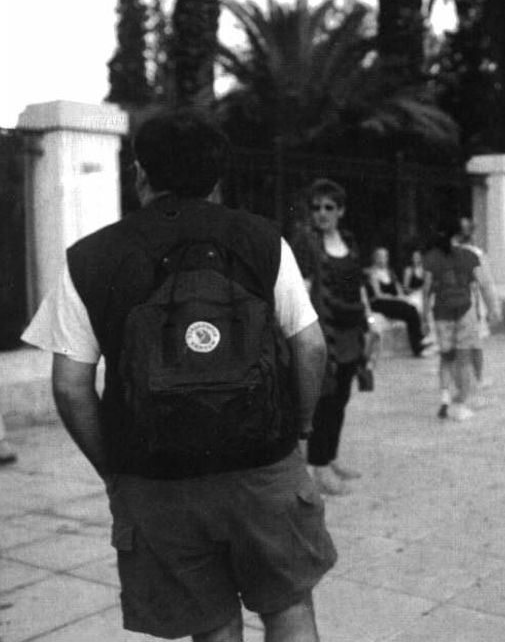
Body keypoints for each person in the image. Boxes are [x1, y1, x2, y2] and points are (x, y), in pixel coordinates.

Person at [21, 108, 336, 642]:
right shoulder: (263, 241)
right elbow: (311, 346)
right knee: (290, 610)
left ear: (140, 172)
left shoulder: (90, 258)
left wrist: (114, 468)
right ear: (217, 177)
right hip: (263, 467)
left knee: (210, 627)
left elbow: (70, 386)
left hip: (155, 479)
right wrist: (299, 430)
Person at [292, 178, 372, 495]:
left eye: (329, 207)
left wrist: (369, 321)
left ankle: (331, 457)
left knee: (342, 398)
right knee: (325, 401)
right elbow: (301, 289)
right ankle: (319, 467)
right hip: (325, 332)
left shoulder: (349, 241)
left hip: (351, 331)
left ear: (341, 210)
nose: (322, 213)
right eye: (316, 208)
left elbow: (359, 285)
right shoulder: (306, 243)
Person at [423, 218, 498, 420]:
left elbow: (427, 289)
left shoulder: (433, 257)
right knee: (465, 358)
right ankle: (461, 403)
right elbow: (484, 284)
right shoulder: (470, 256)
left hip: (443, 313)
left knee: (448, 358)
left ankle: (448, 398)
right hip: (465, 310)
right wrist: (492, 308)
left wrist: (424, 316)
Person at [365, 246, 430, 356]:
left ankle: (418, 342)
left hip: (392, 301)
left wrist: (403, 298)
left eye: (385, 256)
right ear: (375, 258)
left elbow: (398, 289)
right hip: (380, 302)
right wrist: (396, 298)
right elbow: (378, 294)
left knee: (412, 308)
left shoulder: (390, 272)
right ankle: (417, 345)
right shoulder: (373, 274)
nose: (383, 259)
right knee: (409, 311)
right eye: (380, 256)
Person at [454, 216, 494, 387]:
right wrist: (492, 308)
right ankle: (477, 378)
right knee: (475, 343)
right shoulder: (476, 254)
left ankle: (460, 381)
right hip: (471, 303)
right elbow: (485, 284)